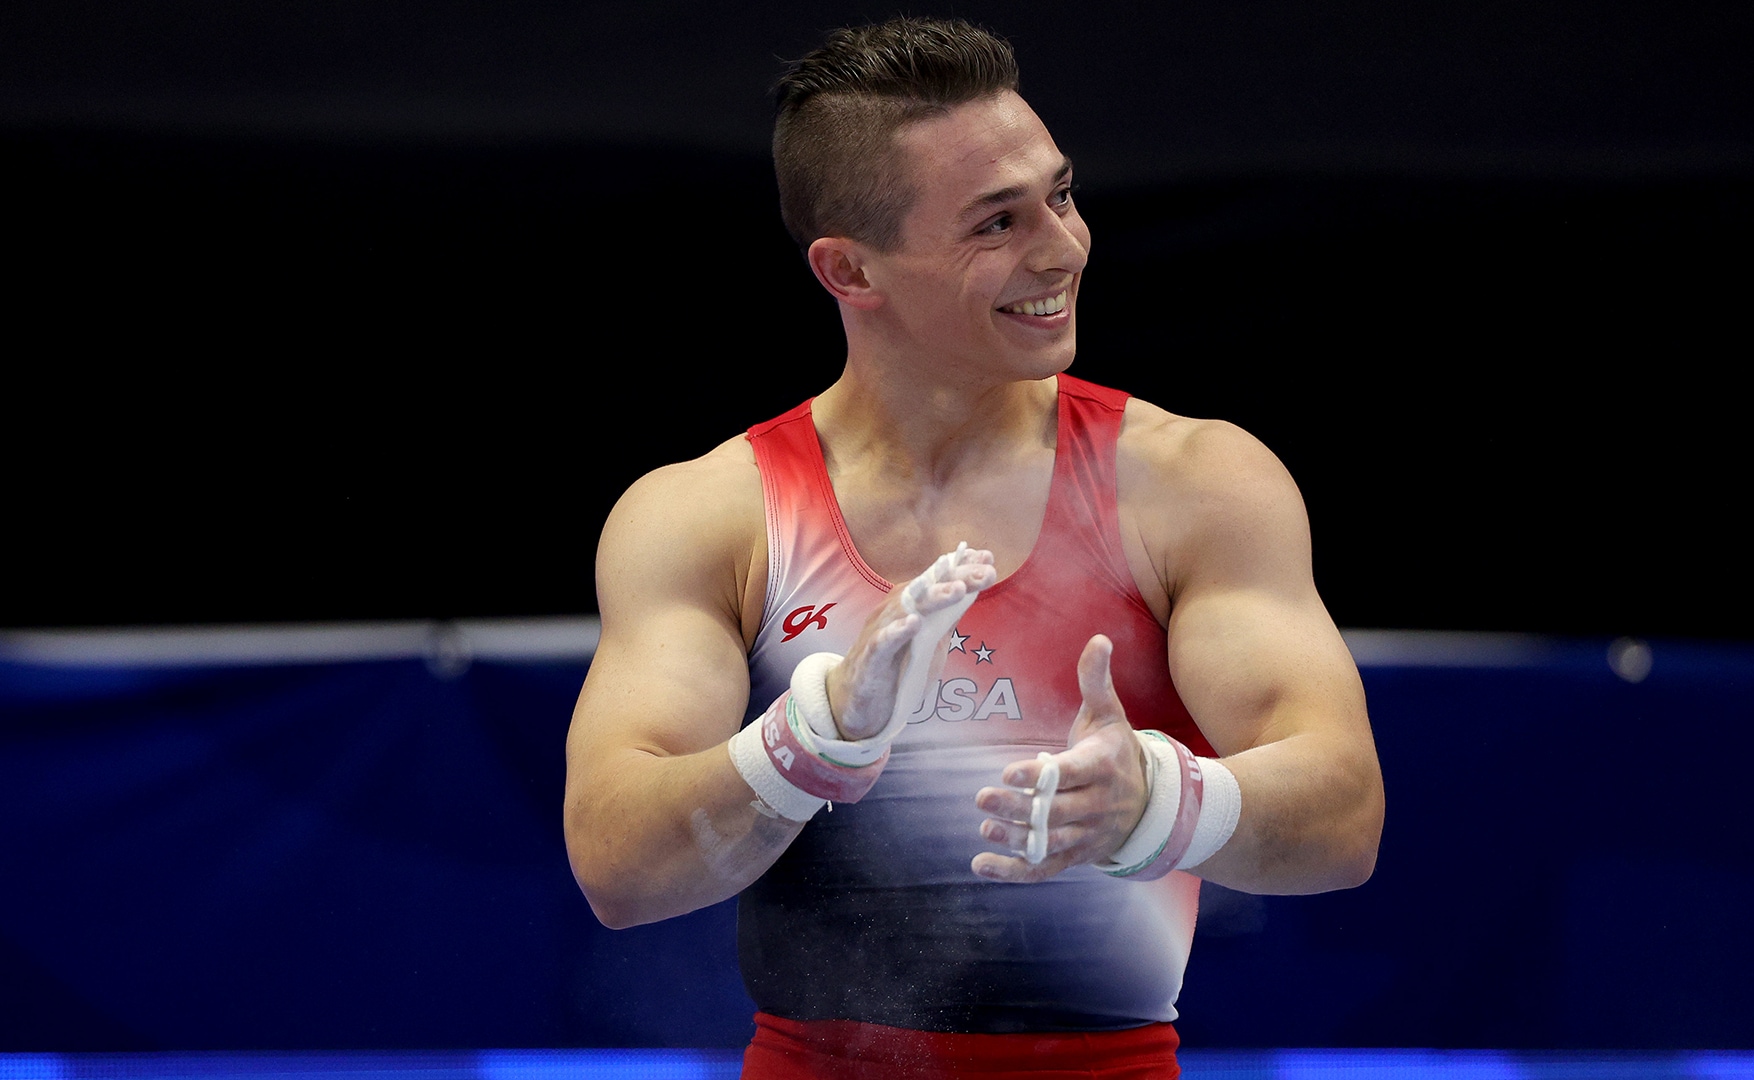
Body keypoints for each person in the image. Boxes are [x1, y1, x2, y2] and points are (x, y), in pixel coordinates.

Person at [564, 16, 1384, 1078]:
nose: (1065, 245)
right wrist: (810, 741)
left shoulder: (1191, 486)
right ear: (850, 270)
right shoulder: (709, 518)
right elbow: (618, 869)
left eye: (1062, 193)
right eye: (996, 223)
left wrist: (1162, 799)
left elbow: (1346, 816)